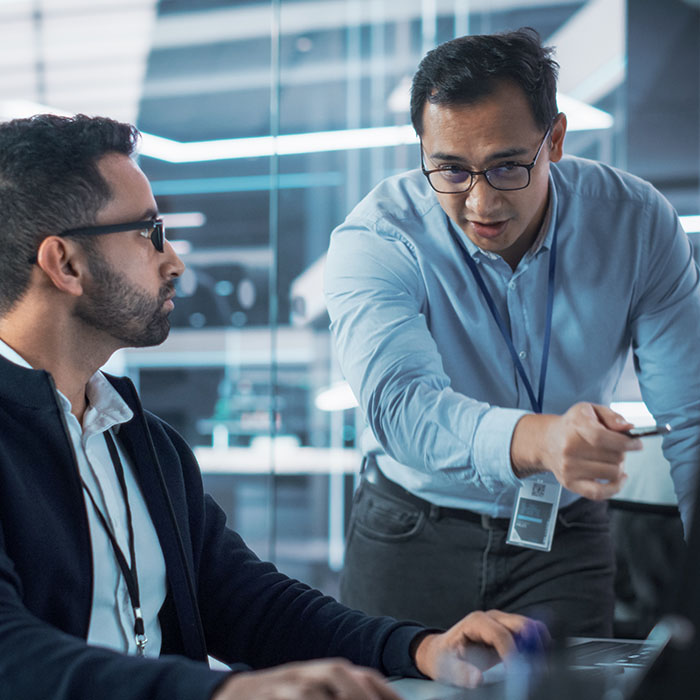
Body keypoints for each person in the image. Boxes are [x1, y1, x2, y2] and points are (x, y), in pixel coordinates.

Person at [0, 114, 548, 700]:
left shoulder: (142, 441)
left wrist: (417, 648)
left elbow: (247, 603)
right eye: (148, 232)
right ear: (65, 264)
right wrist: (225, 693)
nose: (174, 261)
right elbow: (13, 657)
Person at [324, 27, 700, 636]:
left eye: (505, 167)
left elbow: (692, 414)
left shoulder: (634, 223)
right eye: (449, 169)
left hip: (565, 538)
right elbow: (400, 408)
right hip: (411, 532)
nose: (479, 202)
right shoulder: (377, 238)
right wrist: (543, 440)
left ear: (553, 139)